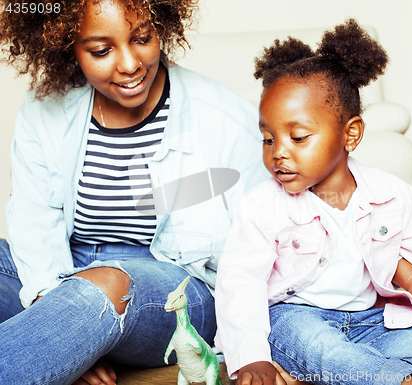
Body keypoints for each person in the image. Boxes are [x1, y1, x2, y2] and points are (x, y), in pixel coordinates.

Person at [214, 19, 412, 385]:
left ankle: (339, 372)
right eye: (268, 139)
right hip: (295, 319)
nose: (278, 153)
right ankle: (393, 379)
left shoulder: (390, 194)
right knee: (310, 341)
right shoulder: (261, 207)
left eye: (298, 137)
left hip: (366, 320)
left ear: (351, 134)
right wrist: (252, 359)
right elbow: (240, 284)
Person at [0, 0, 268, 384]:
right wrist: (66, 334)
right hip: (64, 270)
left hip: (174, 291)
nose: (130, 64)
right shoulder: (45, 109)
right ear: (65, 46)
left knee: (107, 285)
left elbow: (258, 250)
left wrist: (77, 318)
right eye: (101, 51)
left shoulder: (224, 119)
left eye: (143, 37)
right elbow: (33, 221)